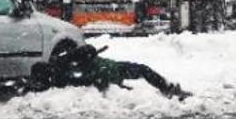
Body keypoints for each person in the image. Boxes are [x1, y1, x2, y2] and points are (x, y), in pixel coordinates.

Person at [56, 44, 192, 100]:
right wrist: (121, 87)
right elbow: (100, 83)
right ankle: (167, 89)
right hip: (117, 70)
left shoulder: (82, 61)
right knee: (143, 71)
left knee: (143, 69)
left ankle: (167, 88)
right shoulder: (85, 71)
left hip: (117, 67)